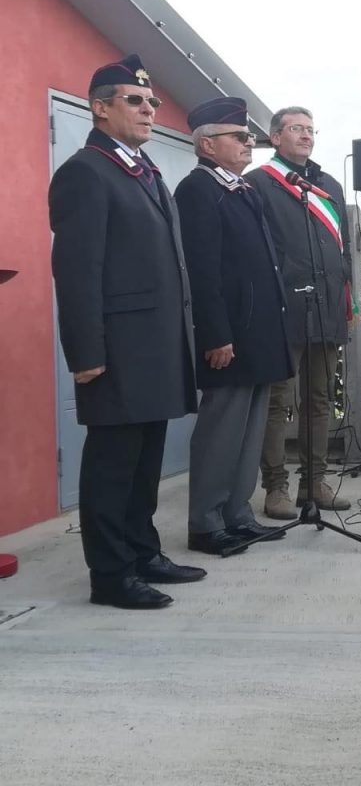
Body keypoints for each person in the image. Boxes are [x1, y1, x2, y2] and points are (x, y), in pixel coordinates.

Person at [48, 54, 205, 609]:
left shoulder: (145, 169)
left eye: (152, 102)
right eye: (135, 101)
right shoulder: (84, 173)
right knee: (112, 466)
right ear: (99, 108)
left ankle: (143, 552)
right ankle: (110, 575)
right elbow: (76, 270)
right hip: (115, 351)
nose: (148, 109)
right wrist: (85, 351)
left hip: (155, 348)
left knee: (145, 463)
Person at [174, 97, 294, 555]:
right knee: (221, 432)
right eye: (240, 138)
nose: (249, 145)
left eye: (249, 138)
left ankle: (237, 514)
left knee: (250, 432)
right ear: (207, 144)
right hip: (231, 335)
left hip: (260, 332)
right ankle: (205, 523)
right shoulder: (198, 189)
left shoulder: (241, 189)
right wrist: (216, 333)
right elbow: (203, 270)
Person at [245, 107, 352, 517]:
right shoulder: (258, 183)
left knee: (320, 399)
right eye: (296, 129)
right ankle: (276, 487)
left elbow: (341, 247)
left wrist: (344, 295)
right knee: (278, 402)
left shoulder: (327, 186)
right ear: (275, 137)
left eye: (310, 130)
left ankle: (314, 483)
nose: (306, 136)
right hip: (281, 309)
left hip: (324, 306)